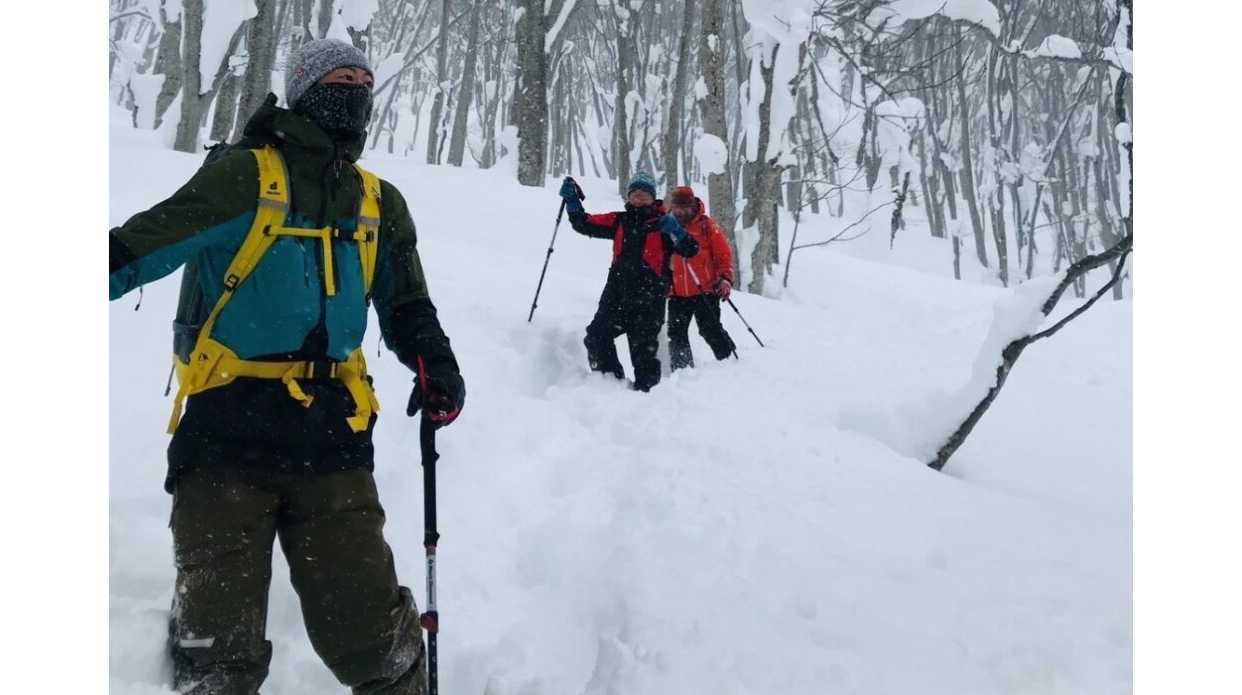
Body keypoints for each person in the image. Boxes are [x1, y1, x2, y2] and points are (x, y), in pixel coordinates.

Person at [108, 38, 464, 695]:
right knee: (218, 654)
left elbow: (406, 301)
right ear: (304, 90)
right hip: (225, 437)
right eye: (340, 77)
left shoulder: (380, 203)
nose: (355, 88)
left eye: (364, 79)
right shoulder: (243, 175)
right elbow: (142, 245)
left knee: (370, 638)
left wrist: (433, 361)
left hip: (330, 437)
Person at [560, 171, 699, 391]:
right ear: (628, 197)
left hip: (649, 301)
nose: (639, 197)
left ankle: (647, 402)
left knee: (644, 359)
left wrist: (677, 232)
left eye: (645, 193)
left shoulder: (664, 224)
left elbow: (691, 249)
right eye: (635, 192)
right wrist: (572, 201)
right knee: (596, 337)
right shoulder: (619, 221)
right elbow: (583, 223)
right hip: (616, 296)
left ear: (653, 197)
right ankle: (611, 386)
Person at [665, 185, 738, 370]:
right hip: (677, 292)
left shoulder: (706, 225)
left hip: (705, 289)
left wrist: (725, 279)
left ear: (693, 206)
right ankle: (682, 371)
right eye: (677, 208)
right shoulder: (665, 227)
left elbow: (723, 255)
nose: (681, 212)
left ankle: (730, 361)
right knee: (676, 333)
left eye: (685, 208)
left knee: (709, 329)